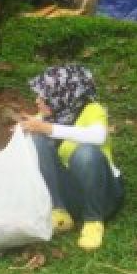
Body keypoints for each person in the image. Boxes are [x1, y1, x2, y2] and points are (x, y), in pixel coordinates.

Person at [19, 65, 125, 251]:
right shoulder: (46, 117)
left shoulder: (93, 110)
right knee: (35, 141)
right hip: (71, 197)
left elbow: (98, 136)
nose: (37, 101)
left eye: (43, 97)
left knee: (85, 153)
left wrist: (48, 129)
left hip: (103, 195)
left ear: (63, 97)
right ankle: (59, 212)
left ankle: (93, 221)